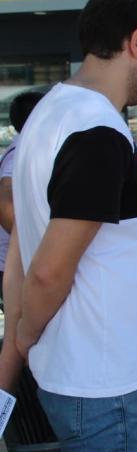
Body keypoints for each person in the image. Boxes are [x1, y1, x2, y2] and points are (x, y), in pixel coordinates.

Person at [0, 0, 137, 452]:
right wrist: (24, 338)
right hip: (100, 379)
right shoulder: (97, 130)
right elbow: (49, 269)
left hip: (73, 370)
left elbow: (22, 254)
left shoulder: (48, 116)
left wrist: (21, 341)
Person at [0, 91, 44, 305]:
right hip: (17, 266)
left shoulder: (28, 147)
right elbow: (4, 199)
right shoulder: (20, 151)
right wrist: (33, 242)